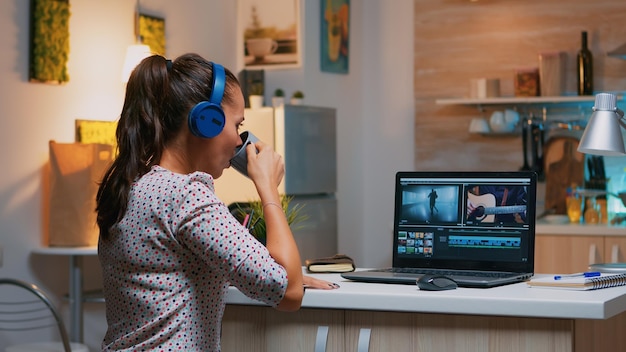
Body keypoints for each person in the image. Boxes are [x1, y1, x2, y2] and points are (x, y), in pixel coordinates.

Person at [95, 53, 338, 351]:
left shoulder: (132, 183)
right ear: (205, 122)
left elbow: (173, 274)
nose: (239, 141)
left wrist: (274, 271)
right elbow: (288, 293)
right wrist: (268, 188)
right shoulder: (186, 195)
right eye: (236, 126)